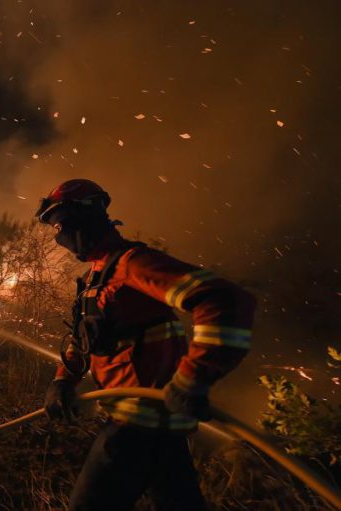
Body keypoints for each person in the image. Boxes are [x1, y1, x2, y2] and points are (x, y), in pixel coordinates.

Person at [37, 179, 256, 511]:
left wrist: (192, 379)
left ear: (89, 214)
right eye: (55, 228)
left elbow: (223, 299)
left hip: (136, 428)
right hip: (155, 430)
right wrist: (62, 379)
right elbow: (89, 341)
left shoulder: (133, 264)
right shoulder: (95, 278)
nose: (60, 235)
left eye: (62, 223)